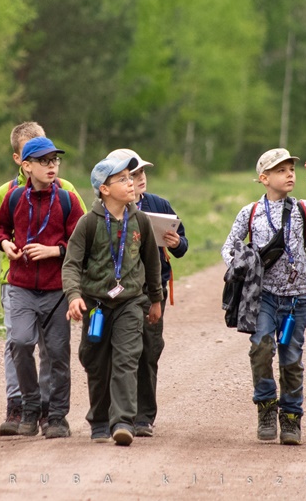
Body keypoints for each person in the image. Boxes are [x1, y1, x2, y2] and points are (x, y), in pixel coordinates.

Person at [0, 122, 86, 436]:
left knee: (56, 352)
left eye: (54, 159)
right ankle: (25, 406)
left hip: (56, 287)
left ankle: (54, 415)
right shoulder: (10, 196)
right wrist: (3, 246)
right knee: (19, 343)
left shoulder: (68, 196)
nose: (51, 165)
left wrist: (54, 252)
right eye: (43, 160)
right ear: (24, 164)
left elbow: (83, 239)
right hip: (18, 284)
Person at [221, 148, 306, 445]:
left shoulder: (303, 208)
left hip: (296, 300)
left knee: (292, 359)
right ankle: (266, 406)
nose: (290, 175)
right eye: (281, 170)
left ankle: (292, 417)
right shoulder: (250, 212)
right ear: (264, 178)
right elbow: (229, 247)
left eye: (291, 170)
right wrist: (241, 266)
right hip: (263, 297)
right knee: (260, 347)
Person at [62, 155, 163, 446]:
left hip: (130, 302)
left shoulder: (140, 220)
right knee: (96, 363)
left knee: (127, 358)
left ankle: (122, 421)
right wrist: (74, 296)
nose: (131, 183)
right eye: (122, 179)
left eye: (131, 177)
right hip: (96, 304)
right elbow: (71, 264)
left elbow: (152, 263)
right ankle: (99, 421)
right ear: (104, 189)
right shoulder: (88, 223)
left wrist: (155, 299)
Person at [105, 148, 188, 438]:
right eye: (131, 174)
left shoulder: (160, 205)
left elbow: (183, 245)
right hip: (115, 292)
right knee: (116, 352)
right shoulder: (105, 211)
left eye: (141, 172)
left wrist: (176, 243)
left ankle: (144, 417)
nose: (139, 178)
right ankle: (116, 414)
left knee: (149, 351)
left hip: (152, 290)